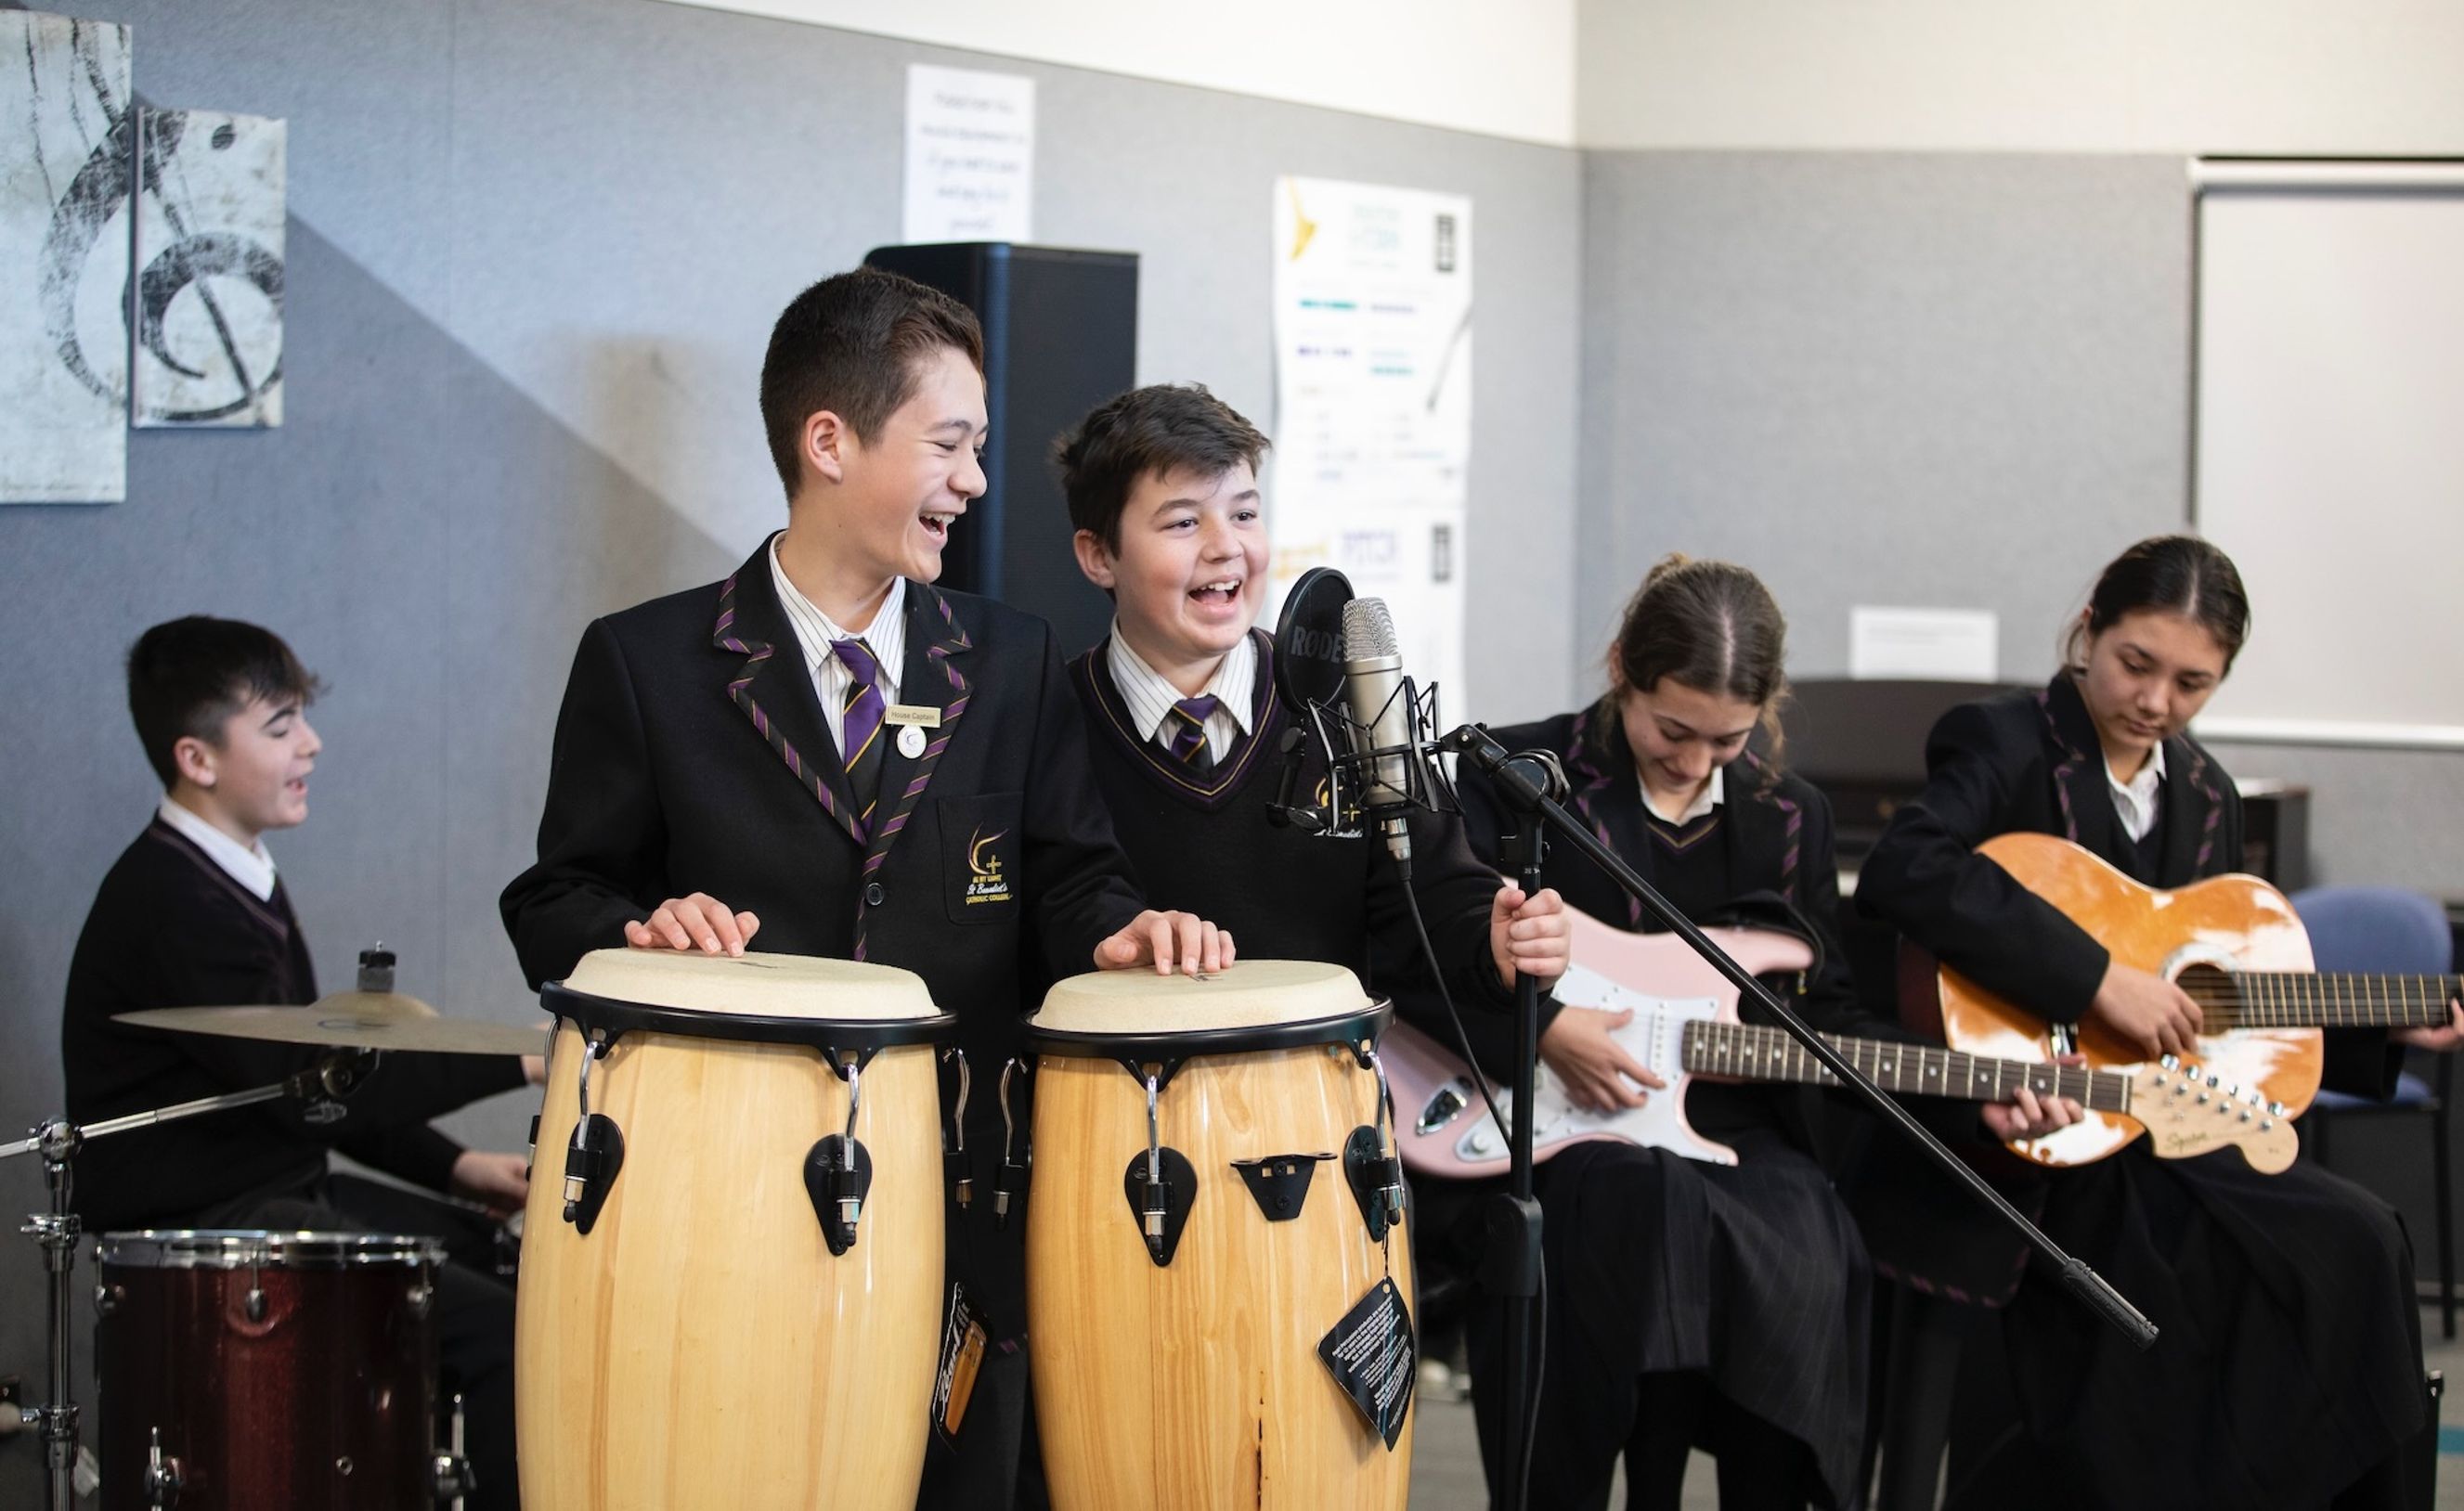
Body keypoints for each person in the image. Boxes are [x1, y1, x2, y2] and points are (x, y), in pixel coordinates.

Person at [499, 268, 1226, 1509]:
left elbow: (1069, 880)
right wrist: (635, 931)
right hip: (716, 1204)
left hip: (960, 1207)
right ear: (827, 441)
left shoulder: (1008, 660)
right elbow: (553, 897)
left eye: (979, 448)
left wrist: (1119, 932)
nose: (974, 482)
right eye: (948, 444)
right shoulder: (648, 661)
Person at [1434, 555, 2068, 1511]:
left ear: (1765, 709)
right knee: (1638, 1212)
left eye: (1725, 740)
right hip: (1556, 1119)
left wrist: (1970, 1083)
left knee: (1812, 1240)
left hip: (1729, 1122)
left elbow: (1826, 1012)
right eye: (1670, 728)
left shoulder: (1788, 816)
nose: (1692, 761)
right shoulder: (1520, 775)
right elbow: (1426, 946)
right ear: (1621, 669)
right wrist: (1547, 1028)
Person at [1854, 535, 2461, 1509]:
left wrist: (2375, 1032)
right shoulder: (2003, 741)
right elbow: (1905, 868)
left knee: (2361, 1238)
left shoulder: (2207, 794)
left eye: (2191, 683)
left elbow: (2201, 1001)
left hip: (2152, 1127)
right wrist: (2095, 977)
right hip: (2020, 1127)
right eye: (2136, 663)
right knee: (2241, 1274)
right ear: (2088, 626)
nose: (2155, 702)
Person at [64, 615, 538, 1510]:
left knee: (497, 1252)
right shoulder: (172, 899)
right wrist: (524, 1059)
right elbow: (316, 1095)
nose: (310, 743)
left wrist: (459, 1167)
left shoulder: (239, 868)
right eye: (279, 727)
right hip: (207, 1223)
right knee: (502, 1332)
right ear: (197, 760)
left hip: (279, 1186)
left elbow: (321, 1095)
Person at [1053, 380, 1569, 1057]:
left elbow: (1437, 893)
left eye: (1243, 515)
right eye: (1183, 522)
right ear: (1098, 556)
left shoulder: (1350, 703)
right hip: (1126, 1113)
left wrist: (1495, 945)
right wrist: (1122, 932)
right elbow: (1053, 900)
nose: (1225, 547)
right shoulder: (1052, 717)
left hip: (1319, 1108)